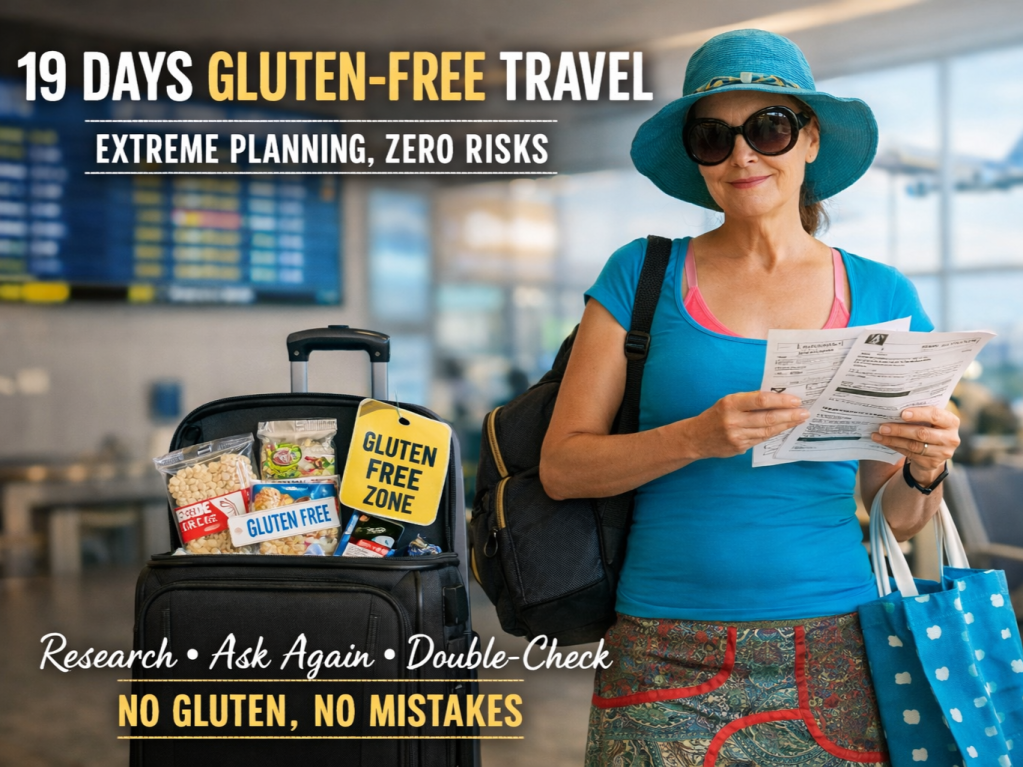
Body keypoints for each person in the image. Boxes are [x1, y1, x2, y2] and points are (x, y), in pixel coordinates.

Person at [539, 29, 959, 767]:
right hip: (661, 647)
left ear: (808, 140)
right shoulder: (639, 275)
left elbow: (892, 512)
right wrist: (694, 436)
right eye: (714, 136)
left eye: (767, 127)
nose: (742, 155)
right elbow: (563, 468)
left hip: (833, 646)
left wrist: (922, 472)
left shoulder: (881, 295)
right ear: (697, 157)